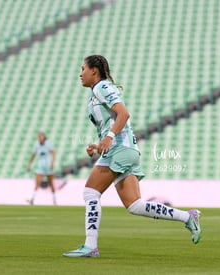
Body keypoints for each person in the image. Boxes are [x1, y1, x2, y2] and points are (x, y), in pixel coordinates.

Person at [63, 55, 201, 257]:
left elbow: (123, 114)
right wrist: (99, 143)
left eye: (83, 68)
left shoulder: (101, 87)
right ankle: (187, 217)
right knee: (135, 205)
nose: (80, 73)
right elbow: (112, 122)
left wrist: (109, 138)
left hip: (120, 147)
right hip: (126, 149)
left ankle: (90, 246)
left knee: (91, 193)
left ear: (94, 71)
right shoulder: (97, 92)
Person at [26, 131, 56, 205]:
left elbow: (53, 152)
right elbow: (33, 155)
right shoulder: (36, 144)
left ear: (44, 137)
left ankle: (54, 200)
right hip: (40, 165)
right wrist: (29, 165)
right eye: (38, 137)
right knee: (37, 182)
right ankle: (32, 199)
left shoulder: (48, 143)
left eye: (41, 136)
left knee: (51, 183)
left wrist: (53, 162)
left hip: (48, 165)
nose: (39, 138)